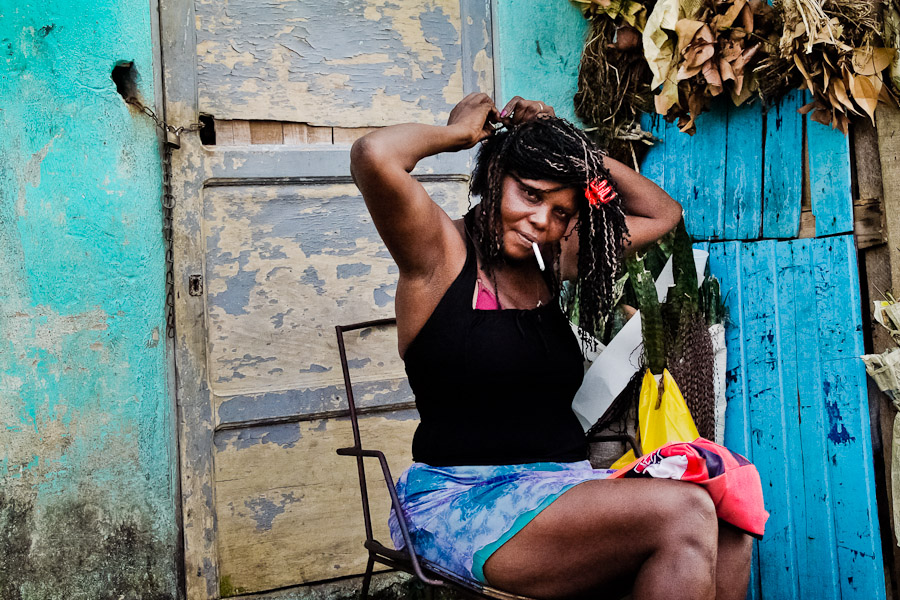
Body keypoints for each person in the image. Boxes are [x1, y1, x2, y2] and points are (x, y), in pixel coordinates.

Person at [349, 93, 754, 600]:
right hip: (464, 499)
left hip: (563, 486)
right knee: (685, 512)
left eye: (562, 210)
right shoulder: (439, 254)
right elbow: (373, 155)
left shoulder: (552, 260)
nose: (543, 220)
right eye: (531, 194)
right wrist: (458, 135)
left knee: (728, 512)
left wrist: (575, 148)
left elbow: (663, 213)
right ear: (496, 178)